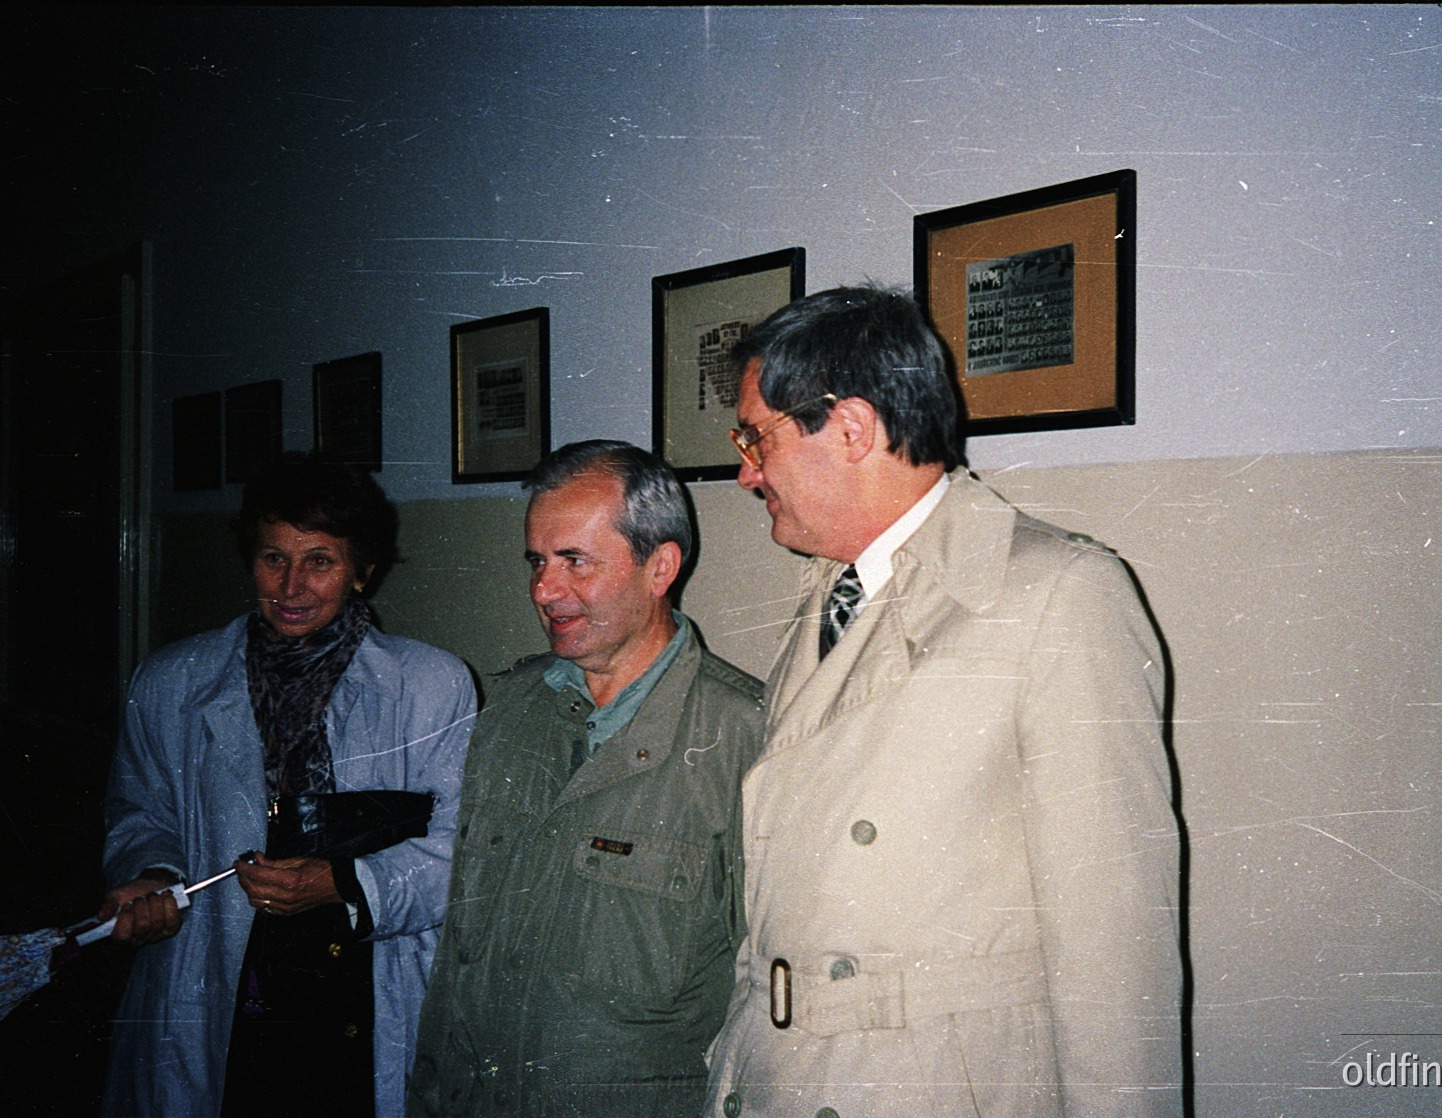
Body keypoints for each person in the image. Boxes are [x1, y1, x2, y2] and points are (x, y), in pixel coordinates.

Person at [703, 286, 1184, 1117]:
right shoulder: (829, 594)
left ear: (851, 428)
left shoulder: (1061, 594)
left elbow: (1116, 950)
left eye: (756, 437)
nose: (746, 473)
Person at [101, 455, 475, 1118]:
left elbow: (463, 851)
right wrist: (150, 871)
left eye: (321, 561)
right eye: (273, 557)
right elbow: (141, 813)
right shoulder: (169, 682)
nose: (291, 586)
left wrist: (342, 883)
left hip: (360, 980)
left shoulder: (433, 687)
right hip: (215, 979)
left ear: (364, 571)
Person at [409, 441, 766, 1117]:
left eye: (575, 560)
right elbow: (459, 963)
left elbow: (764, 1003)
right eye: (538, 562)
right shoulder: (507, 713)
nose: (544, 591)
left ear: (660, 566)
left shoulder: (746, 737)